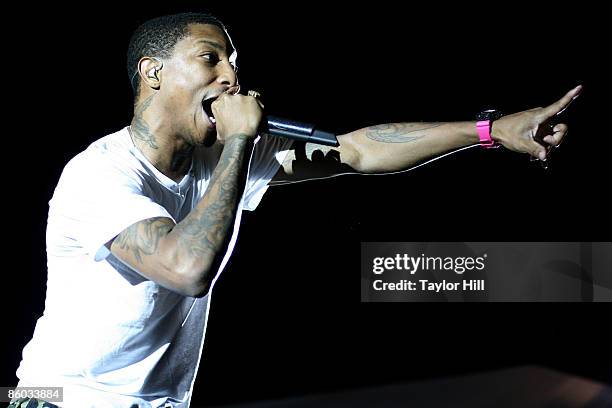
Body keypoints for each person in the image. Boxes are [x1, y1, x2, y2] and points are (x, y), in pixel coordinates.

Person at [11, 12, 581, 408]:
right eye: (210, 59)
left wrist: (488, 131)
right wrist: (238, 142)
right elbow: (185, 269)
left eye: (234, 61)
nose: (232, 76)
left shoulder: (224, 157)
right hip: (57, 397)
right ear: (153, 73)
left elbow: (358, 149)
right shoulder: (98, 175)